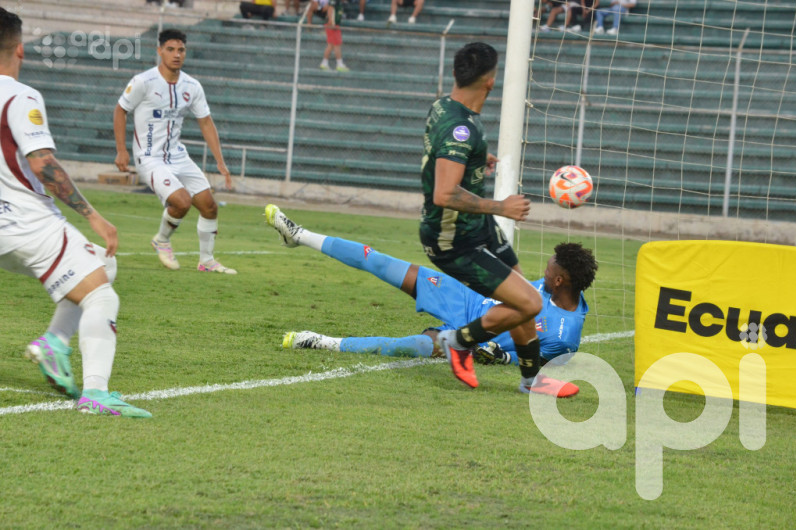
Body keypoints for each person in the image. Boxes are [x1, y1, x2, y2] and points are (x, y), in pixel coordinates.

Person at [265, 203, 592, 397]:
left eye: (549, 271)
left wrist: (500, 358)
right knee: (378, 261)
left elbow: (532, 358)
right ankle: (299, 235)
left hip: (472, 335)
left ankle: (323, 342)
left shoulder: (566, 335)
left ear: (561, 280)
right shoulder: (542, 291)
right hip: (463, 297)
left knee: (414, 347)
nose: (544, 273)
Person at [0, 8, 150, 417]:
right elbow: (42, 164)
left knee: (103, 265)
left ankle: (54, 342)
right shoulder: (19, 95)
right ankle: (96, 394)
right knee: (102, 295)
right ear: (20, 49)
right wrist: (93, 215)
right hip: (28, 224)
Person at [417, 42, 577, 396]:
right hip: (452, 240)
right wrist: (500, 207)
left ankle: (531, 380)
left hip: (475, 229)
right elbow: (444, 193)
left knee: (524, 296)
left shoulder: (445, 105)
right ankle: (458, 342)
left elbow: (446, 153)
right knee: (531, 302)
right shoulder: (462, 128)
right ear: (490, 81)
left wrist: (475, 160)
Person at [114, 29, 237, 274]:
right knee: (181, 202)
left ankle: (207, 260)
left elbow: (205, 121)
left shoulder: (192, 86)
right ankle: (162, 239)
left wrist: (220, 161)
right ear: (159, 51)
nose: (176, 54)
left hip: (177, 156)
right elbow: (120, 110)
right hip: (149, 157)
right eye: (170, 49)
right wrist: (121, 150)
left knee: (209, 206)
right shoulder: (143, 82)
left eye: (180, 50)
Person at [307, 0, 349, 72]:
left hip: (333, 24)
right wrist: (331, 22)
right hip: (333, 25)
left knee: (331, 45)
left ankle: (324, 63)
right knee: (337, 44)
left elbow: (328, 8)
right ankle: (339, 64)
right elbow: (330, 8)